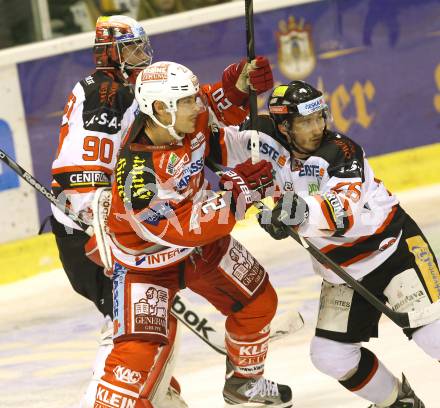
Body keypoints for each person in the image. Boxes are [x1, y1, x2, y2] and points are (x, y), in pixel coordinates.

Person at [50, 13, 279, 407]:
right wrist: (99, 210)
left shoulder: (154, 96)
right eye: (132, 47)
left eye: (142, 45)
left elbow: (202, 112)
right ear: (111, 53)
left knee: (256, 299)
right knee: (137, 346)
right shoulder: (106, 96)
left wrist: (235, 87)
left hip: (179, 234)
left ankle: (233, 381)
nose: (141, 54)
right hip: (114, 239)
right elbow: (87, 175)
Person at [210, 79, 440, 407]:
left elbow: (342, 211)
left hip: (392, 250)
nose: (318, 127)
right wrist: (235, 82)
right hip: (339, 269)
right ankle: (400, 403)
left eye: (319, 117)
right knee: (332, 356)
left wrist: (294, 212)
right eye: (305, 122)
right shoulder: (259, 139)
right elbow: (212, 142)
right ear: (283, 126)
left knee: (434, 337)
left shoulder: (342, 152)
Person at [89, 60, 294, 408]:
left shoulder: (184, 116)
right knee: (136, 358)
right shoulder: (137, 174)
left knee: (259, 301)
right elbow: (183, 227)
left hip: (201, 248)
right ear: (160, 109)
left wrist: (238, 85)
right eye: (187, 101)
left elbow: (214, 104)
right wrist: (238, 195)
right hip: (146, 262)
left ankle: (244, 383)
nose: (197, 106)